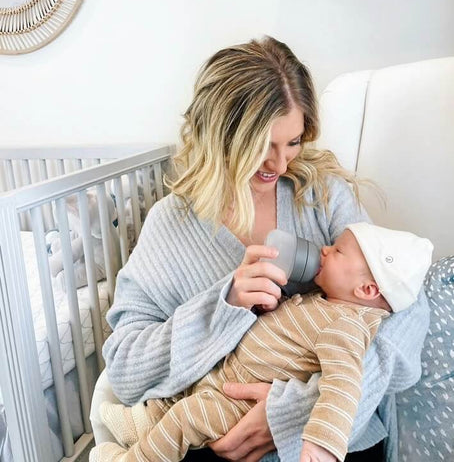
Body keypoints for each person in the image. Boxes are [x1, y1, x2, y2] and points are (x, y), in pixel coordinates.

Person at [89, 36, 430, 462]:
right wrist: (223, 305)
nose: (281, 165)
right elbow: (125, 368)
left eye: (293, 142)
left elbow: (406, 307)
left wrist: (294, 414)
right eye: (264, 146)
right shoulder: (171, 225)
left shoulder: (320, 195)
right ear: (220, 138)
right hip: (208, 433)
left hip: (331, 440)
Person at [89, 223, 433, 462]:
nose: (325, 249)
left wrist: (323, 439)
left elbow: (345, 385)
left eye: (338, 250)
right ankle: (142, 425)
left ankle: (135, 457)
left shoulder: (346, 325)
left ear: (368, 290)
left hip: (242, 404)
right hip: (229, 374)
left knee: (188, 418)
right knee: (183, 392)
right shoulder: (328, 302)